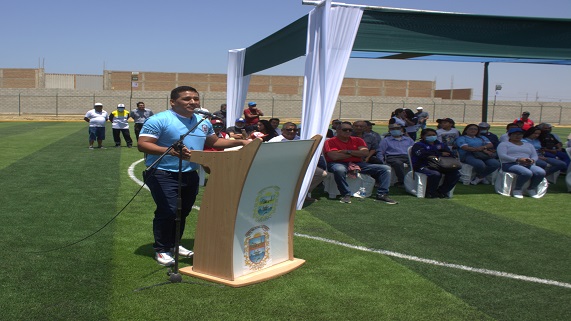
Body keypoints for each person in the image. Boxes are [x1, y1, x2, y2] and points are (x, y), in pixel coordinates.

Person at [138, 86, 251, 266]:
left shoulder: (202, 121)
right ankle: (161, 249)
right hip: (162, 172)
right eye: (187, 99)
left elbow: (214, 142)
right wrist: (170, 151)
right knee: (169, 209)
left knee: (183, 211)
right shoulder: (159, 119)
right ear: (173, 102)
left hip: (190, 173)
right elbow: (143, 144)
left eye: (195, 99)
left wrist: (241, 141)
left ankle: (174, 244)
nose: (193, 102)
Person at [323, 121, 397, 205]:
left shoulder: (358, 140)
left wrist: (347, 151)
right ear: (338, 130)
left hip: (357, 163)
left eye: (350, 130)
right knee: (339, 169)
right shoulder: (330, 141)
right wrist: (355, 154)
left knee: (385, 168)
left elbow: (365, 153)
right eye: (345, 130)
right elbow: (334, 157)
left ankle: (382, 194)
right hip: (336, 163)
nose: (348, 132)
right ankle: (346, 194)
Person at [268, 122, 327, 201]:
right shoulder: (275, 141)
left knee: (322, 174)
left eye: (294, 130)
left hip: (300, 165)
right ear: (282, 130)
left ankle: (302, 193)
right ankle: (286, 195)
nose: (292, 132)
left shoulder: (301, 139)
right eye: (289, 129)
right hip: (280, 166)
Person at [411, 128, 461, 198]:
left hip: (440, 165)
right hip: (423, 165)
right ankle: (430, 192)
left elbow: (449, 153)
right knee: (435, 174)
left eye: (433, 135)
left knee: (455, 174)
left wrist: (437, 153)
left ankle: (441, 191)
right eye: (429, 135)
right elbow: (422, 154)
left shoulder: (440, 144)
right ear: (422, 136)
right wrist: (439, 153)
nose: (432, 136)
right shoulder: (418, 145)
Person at [497, 128, 545, 198]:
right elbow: (502, 156)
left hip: (527, 163)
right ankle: (517, 189)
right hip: (510, 164)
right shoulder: (504, 144)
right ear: (510, 135)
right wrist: (517, 160)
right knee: (527, 173)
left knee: (541, 172)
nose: (518, 136)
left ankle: (531, 188)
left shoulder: (528, 145)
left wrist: (532, 160)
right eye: (515, 134)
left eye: (520, 134)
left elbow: (535, 155)